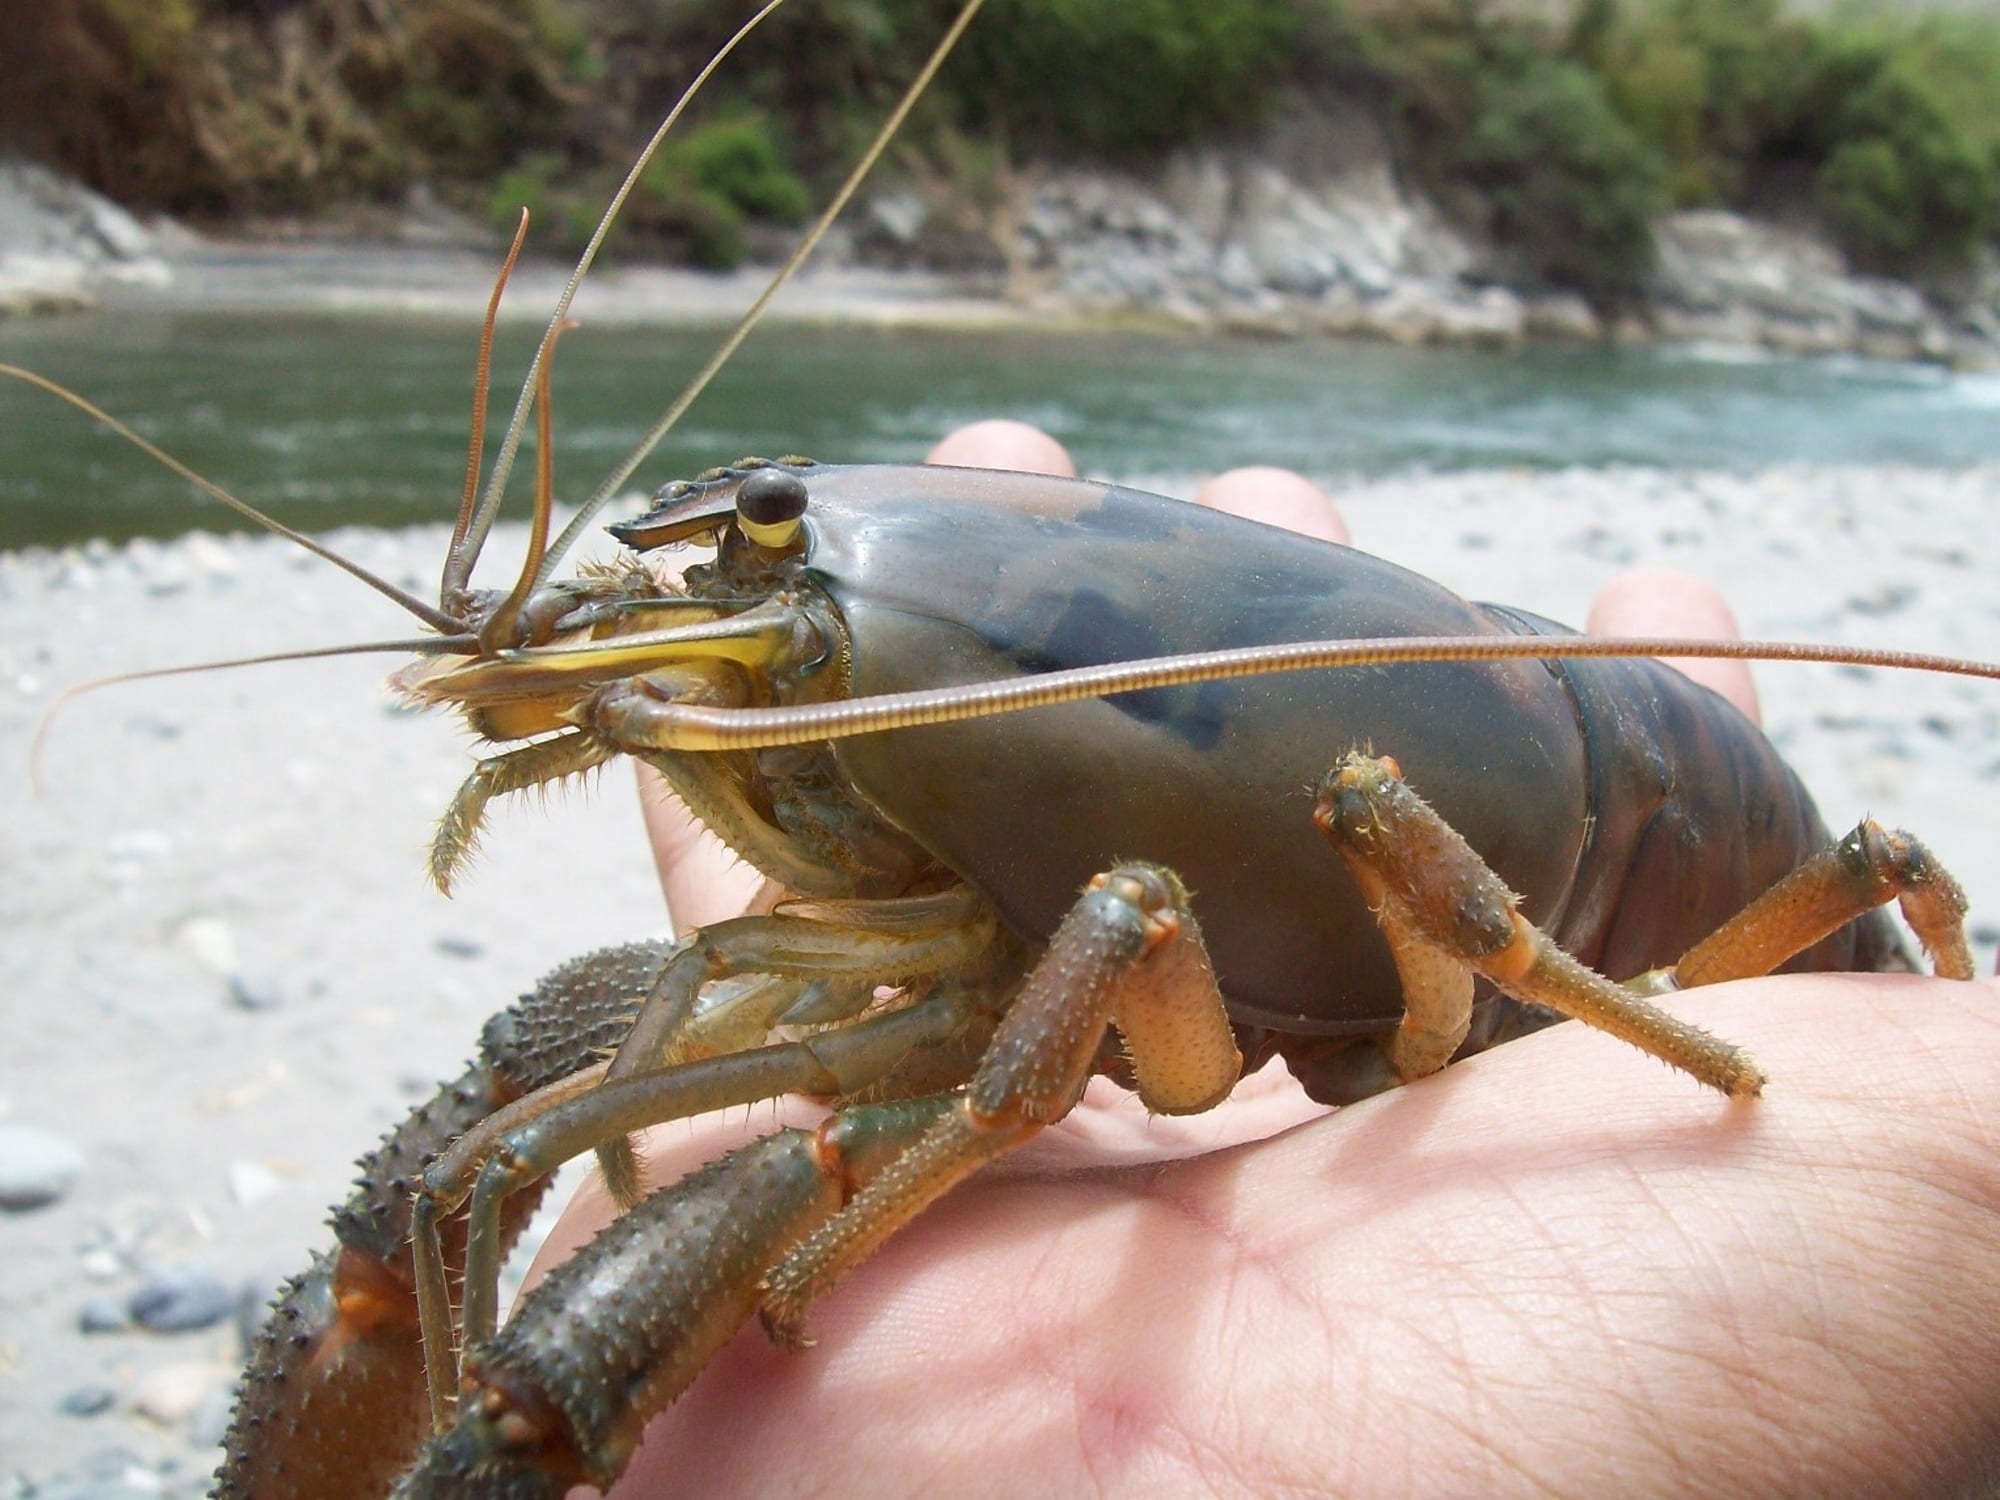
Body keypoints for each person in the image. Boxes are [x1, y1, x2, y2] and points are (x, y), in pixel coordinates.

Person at [531, 422, 2000, 1497]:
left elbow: (1246, 868)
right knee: (528, 1073)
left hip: (1659, 880)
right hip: (1527, 774)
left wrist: (1718, 1041)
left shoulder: (1153, 902)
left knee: (1237, 859)